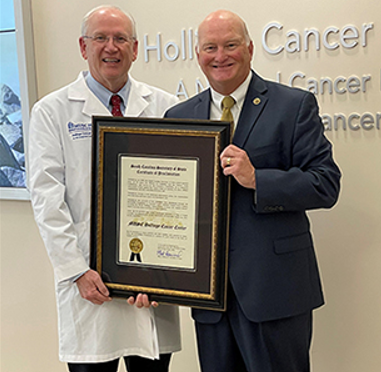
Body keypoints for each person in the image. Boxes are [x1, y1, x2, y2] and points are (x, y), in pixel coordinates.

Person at [165, 9, 341, 372]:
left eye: (230, 45)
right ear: (198, 55)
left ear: (249, 48)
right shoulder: (179, 117)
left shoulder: (292, 106)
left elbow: (325, 183)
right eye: (210, 47)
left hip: (274, 290)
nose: (220, 56)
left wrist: (258, 178)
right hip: (210, 298)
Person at [28, 5, 181, 372]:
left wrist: (170, 272)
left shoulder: (165, 107)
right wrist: (76, 271)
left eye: (120, 39)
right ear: (83, 47)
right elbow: (47, 199)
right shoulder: (51, 111)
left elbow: (178, 199)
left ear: (135, 48)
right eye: (100, 38)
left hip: (152, 287)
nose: (110, 47)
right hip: (89, 284)